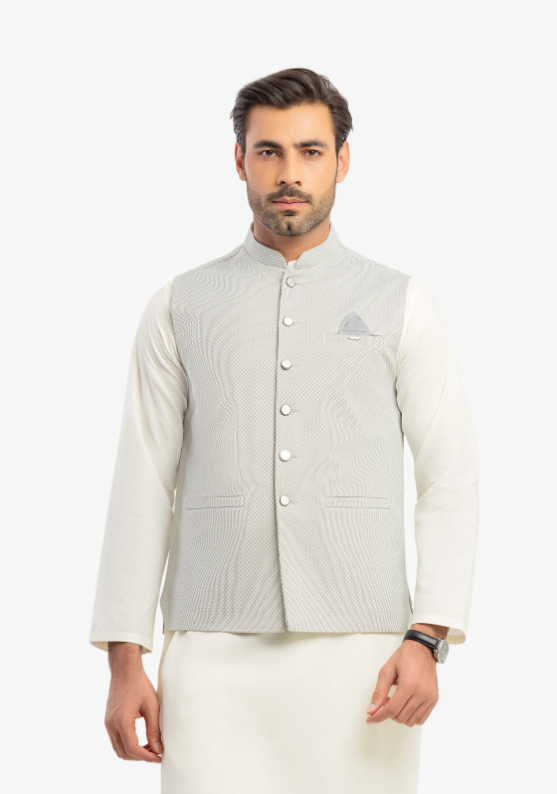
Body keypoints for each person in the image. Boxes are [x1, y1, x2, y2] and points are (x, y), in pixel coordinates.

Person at [89, 67, 479, 794]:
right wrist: (124, 661)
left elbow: (449, 478)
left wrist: (427, 636)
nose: (289, 173)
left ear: (343, 160)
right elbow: (142, 481)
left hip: (366, 654)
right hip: (209, 650)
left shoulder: (401, 302)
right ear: (239, 160)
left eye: (310, 151)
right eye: (268, 151)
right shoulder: (179, 306)